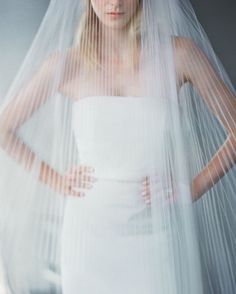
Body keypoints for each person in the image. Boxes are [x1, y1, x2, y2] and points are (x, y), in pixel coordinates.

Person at [0, 0, 235, 293]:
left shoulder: (180, 55)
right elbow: (4, 128)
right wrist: (57, 180)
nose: (114, 2)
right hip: (88, 238)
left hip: (155, 231)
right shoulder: (67, 64)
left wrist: (193, 188)